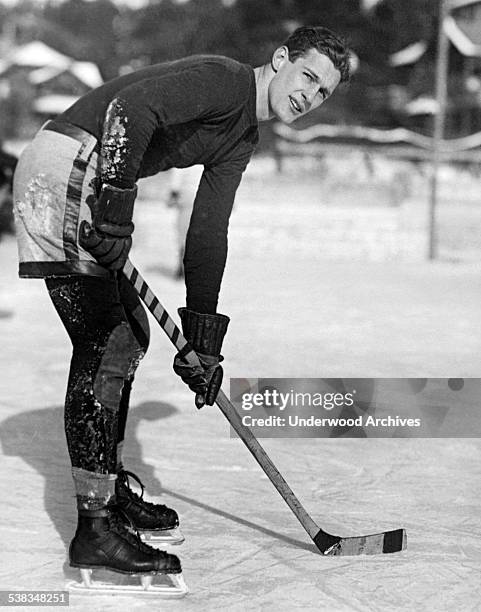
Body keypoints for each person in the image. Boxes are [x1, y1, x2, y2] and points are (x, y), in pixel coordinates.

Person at [13, 26, 350, 593]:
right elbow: (129, 109)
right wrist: (117, 206)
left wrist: (202, 334)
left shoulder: (242, 137)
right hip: (67, 168)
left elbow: (208, 230)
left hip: (89, 175)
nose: (309, 95)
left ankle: (107, 492)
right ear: (281, 59)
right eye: (309, 76)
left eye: (323, 93)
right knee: (108, 339)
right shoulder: (225, 80)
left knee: (131, 334)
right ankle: (94, 527)